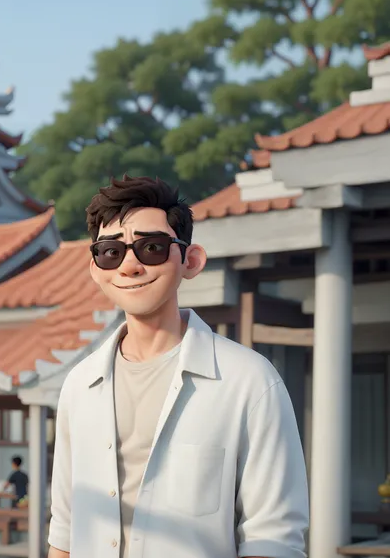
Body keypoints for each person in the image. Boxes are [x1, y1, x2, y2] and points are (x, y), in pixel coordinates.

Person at [48, 175, 309, 558]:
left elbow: (273, 536)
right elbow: (66, 529)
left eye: (151, 248)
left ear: (191, 260)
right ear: (95, 268)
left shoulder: (250, 381)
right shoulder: (79, 385)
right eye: (111, 252)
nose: (131, 266)